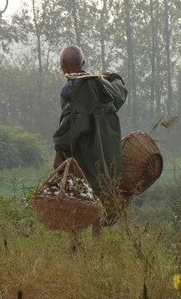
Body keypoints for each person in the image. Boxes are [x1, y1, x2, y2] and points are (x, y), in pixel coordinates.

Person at [52, 45, 128, 247]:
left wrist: (59, 150)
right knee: (98, 193)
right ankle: (97, 241)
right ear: (83, 63)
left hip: (82, 149)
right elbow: (120, 93)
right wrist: (113, 75)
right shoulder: (102, 84)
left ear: (63, 65)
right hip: (103, 148)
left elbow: (69, 123)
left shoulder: (70, 89)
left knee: (71, 189)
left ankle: (73, 240)